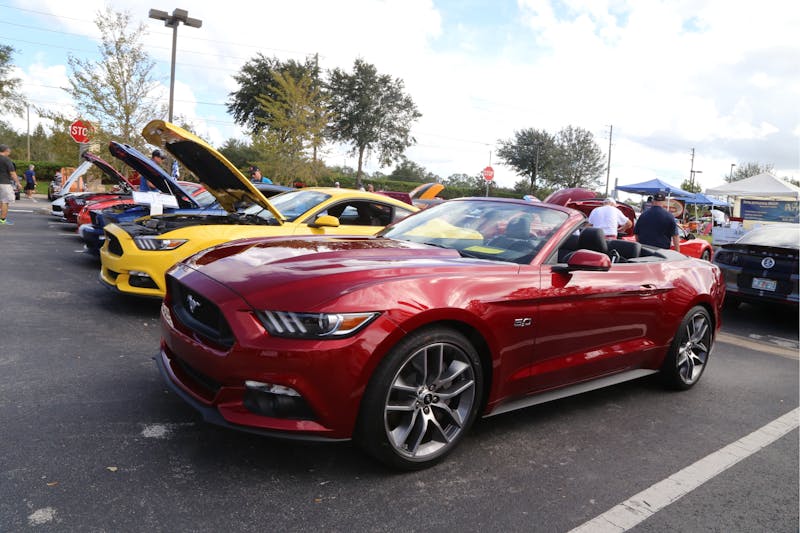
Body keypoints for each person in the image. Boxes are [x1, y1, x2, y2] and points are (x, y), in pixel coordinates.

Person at [0, 144, 21, 224]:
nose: (9, 153)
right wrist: (18, 183)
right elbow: (12, 173)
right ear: (5, 151)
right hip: (4, 183)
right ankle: (2, 220)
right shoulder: (7, 160)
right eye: (9, 152)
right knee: (5, 201)